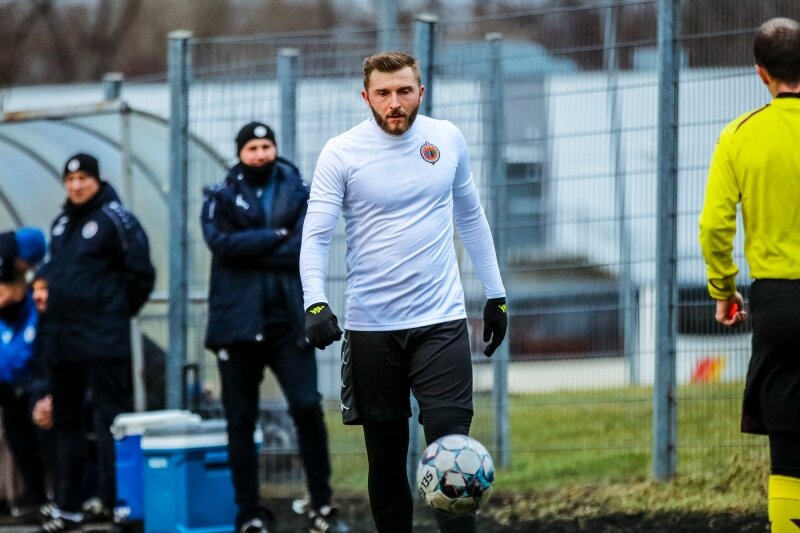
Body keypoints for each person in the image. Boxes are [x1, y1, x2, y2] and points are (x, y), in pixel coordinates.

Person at [299, 51, 508, 533]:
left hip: (441, 323)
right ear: (366, 96)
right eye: (384, 93)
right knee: (386, 458)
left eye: (404, 91)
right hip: (372, 329)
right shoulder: (341, 152)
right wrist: (315, 301)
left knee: (453, 455)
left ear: (420, 92)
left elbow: (471, 217)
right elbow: (316, 235)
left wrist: (496, 295)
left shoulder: (446, 139)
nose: (395, 102)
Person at [201, 122, 350, 533]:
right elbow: (221, 246)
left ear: (275, 148)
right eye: (252, 148)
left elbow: (305, 246)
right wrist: (278, 235)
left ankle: (322, 505)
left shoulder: (300, 191)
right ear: (240, 153)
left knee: (307, 408)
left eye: (266, 146)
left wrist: (252, 245)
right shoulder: (220, 196)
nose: (260, 154)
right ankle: (249, 513)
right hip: (238, 326)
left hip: (289, 325)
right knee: (240, 420)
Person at [699, 17, 800, 533]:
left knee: (789, 446)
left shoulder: (739, 136)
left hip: (779, 303)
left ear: (761, 72)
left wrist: (724, 288)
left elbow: (714, 226)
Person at [39, 153, 155, 533]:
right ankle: (69, 506)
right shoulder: (61, 223)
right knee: (66, 422)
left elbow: (141, 274)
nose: (76, 186)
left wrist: (114, 312)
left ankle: (119, 501)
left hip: (104, 338)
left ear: (97, 180)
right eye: (70, 180)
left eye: (83, 179)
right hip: (63, 339)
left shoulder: (116, 219)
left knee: (111, 421)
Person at [0, 230, 50, 523]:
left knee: (39, 431)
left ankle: (46, 496)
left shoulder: (34, 309)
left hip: (34, 384)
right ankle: (32, 495)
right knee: (17, 436)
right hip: (8, 387)